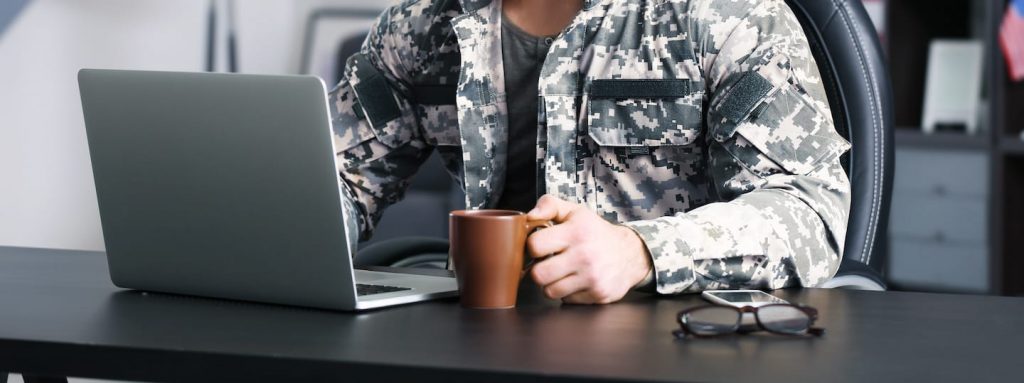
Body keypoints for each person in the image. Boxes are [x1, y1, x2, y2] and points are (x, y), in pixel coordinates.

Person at [329, 0, 851, 304]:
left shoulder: (726, 14)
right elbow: (343, 182)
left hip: (673, 339)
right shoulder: (418, 28)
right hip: (483, 339)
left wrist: (640, 251)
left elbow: (811, 210)